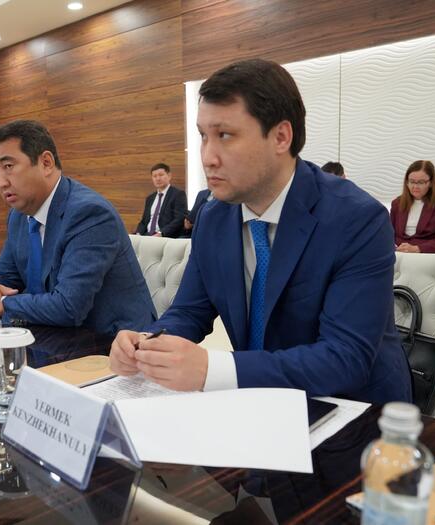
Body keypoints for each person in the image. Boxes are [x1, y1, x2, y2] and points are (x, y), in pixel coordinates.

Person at [109, 58, 410, 404]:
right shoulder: (213, 217)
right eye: (204, 136)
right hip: (257, 401)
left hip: (352, 408)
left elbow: (345, 357)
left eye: (225, 135)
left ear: (281, 137)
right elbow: (190, 311)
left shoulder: (357, 219)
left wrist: (211, 368)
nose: (207, 157)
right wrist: (147, 344)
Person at [0, 120, 155, 336]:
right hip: (53, 337)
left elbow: (69, 307)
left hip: (114, 341)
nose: (0, 182)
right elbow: (2, 277)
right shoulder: (18, 215)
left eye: (8, 166)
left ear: (46, 163)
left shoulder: (90, 213)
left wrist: (0, 302)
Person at [390, 160, 435, 254]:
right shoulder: (397, 203)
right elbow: (389, 234)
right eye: (412, 181)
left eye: (421, 182)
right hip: (400, 253)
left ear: (431, 183)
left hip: (427, 254)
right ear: (407, 182)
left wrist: (417, 248)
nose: (415, 186)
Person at [135, 163, 188, 238]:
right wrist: (138, 233)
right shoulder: (150, 198)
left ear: (169, 176)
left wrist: (161, 233)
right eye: (154, 176)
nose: (158, 179)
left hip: (165, 236)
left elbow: (179, 219)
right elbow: (144, 221)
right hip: (147, 235)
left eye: (161, 175)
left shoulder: (178, 194)